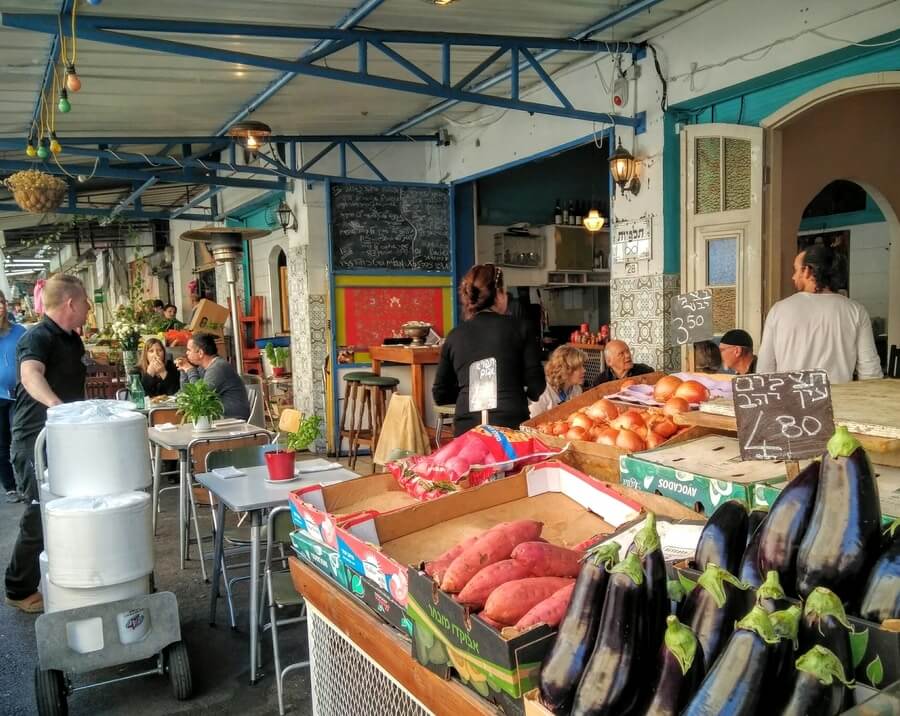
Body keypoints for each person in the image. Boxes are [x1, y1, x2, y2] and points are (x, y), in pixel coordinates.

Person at [5, 275, 89, 613]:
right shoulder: (37, 337)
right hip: (34, 440)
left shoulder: (72, 340)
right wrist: (55, 406)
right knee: (40, 512)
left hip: (66, 436)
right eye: (85, 303)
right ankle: (17, 587)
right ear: (70, 303)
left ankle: (67, 572)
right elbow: (30, 375)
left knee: (70, 507)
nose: (88, 310)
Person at [432, 264, 545, 435]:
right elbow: (537, 386)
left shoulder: (455, 335)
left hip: (467, 429)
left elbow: (440, 393)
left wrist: (467, 393)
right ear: (498, 294)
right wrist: (516, 392)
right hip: (510, 425)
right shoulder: (520, 329)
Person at [757, 245, 882, 383]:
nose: (793, 277)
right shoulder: (855, 311)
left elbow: (764, 371)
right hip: (839, 402)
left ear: (807, 271)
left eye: (796, 270)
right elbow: (870, 372)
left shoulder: (778, 311)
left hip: (791, 402)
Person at [174, 332, 251, 420]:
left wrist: (190, 370)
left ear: (200, 352)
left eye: (189, 350)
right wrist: (184, 371)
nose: (186, 353)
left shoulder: (218, 367)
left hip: (233, 420)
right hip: (219, 419)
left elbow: (199, 397)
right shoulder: (204, 368)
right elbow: (187, 394)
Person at [0, 292, 26, 503]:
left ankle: (26, 482)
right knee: (2, 443)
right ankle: (9, 486)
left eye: (0, 303)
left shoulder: (19, 332)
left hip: (19, 394)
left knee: (20, 440)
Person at [529, 345, 585, 418]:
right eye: (578, 367)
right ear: (565, 369)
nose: (584, 370)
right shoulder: (542, 393)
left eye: (583, 366)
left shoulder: (577, 390)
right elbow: (531, 425)